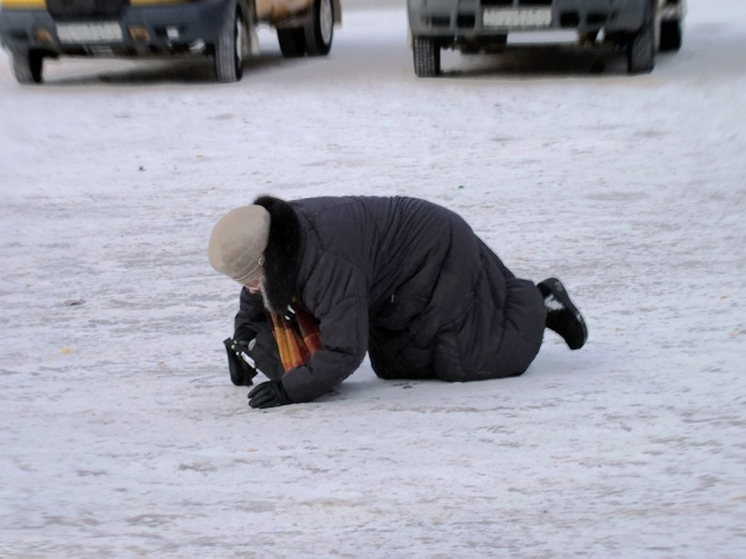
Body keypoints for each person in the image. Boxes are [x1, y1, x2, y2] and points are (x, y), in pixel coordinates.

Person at [208, 195, 587, 409]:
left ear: (268, 262)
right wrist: (244, 341)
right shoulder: (278, 240)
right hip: (396, 276)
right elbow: (258, 293)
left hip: (433, 250)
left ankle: (541, 303)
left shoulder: (325, 265)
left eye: (253, 280)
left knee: (466, 357)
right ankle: (525, 303)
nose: (251, 289)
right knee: (397, 363)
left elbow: (345, 350)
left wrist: (288, 390)